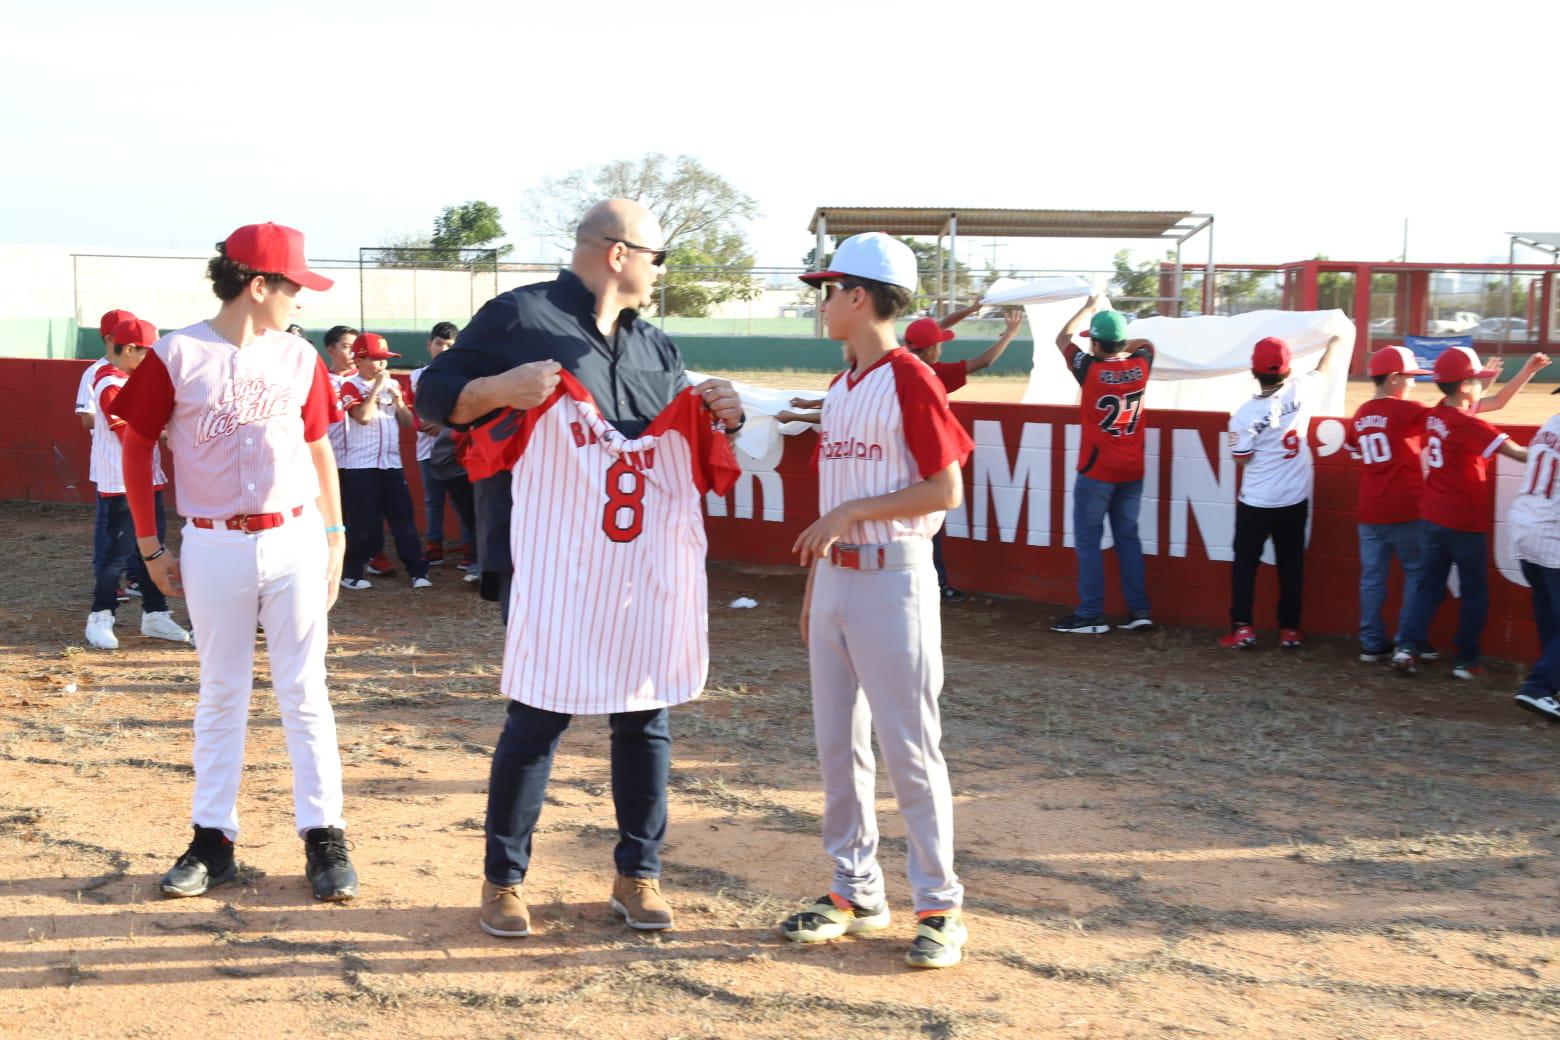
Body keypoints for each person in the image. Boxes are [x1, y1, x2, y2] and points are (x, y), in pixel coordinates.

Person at [414, 198, 745, 940]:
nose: (662, 274)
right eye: (659, 259)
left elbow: (679, 442)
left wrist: (721, 411)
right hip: (547, 557)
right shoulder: (518, 318)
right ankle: (503, 881)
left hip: (637, 565)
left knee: (644, 716)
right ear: (620, 253)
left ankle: (639, 875)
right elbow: (433, 399)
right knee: (538, 714)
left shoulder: (657, 347)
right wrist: (497, 390)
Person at [111, 221, 358, 902]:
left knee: (304, 691)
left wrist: (335, 534)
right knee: (222, 691)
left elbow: (317, 448)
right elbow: (135, 448)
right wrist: (151, 544)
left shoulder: (299, 358)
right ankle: (213, 838)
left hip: (295, 537)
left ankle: (324, 833)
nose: (300, 300)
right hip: (214, 540)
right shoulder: (177, 353)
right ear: (258, 285)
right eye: (293, 286)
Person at [778, 233, 973, 970]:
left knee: (910, 751)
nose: (823, 303)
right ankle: (856, 891)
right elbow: (834, 503)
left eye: (829, 290)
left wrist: (850, 515)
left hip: (894, 577)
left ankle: (940, 906)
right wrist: (813, 589)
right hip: (837, 581)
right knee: (838, 748)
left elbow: (944, 490)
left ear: (859, 297)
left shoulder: (910, 378)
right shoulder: (842, 387)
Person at [781, 307, 1024, 603]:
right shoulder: (927, 373)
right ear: (933, 349)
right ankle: (942, 584)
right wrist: (1010, 334)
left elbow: (931, 329)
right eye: (940, 344)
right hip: (911, 494)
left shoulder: (886, 366)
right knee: (926, 531)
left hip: (858, 553)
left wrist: (805, 410)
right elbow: (984, 360)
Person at [1348, 347, 1549, 662]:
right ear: (1393, 379)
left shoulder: (1365, 413)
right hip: (1420, 512)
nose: (1414, 384)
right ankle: (1430, 647)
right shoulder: (1414, 411)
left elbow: (1353, 449)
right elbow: (1478, 414)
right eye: (1410, 378)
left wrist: (1485, 381)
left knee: (1377, 579)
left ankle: (1382, 645)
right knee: (1432, 581)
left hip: (1381, 512)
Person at [1220, 333, 1344, 650]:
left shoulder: (1244, 415)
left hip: (1257, 501)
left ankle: (1243, 628)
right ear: (1287, 369)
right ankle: (1289, 629)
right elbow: (1323, 369)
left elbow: (1241, 458)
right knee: (1291, 566)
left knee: (1245, 565)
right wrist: (1333, 344)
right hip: (1293, 498)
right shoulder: (1301, 388)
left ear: (1254, 371)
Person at [83, 317, 191, 650]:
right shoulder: (109, 382)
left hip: (147, 480)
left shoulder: (131, 378)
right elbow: (129, 434)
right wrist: (175, 433)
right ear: (129, 349)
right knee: (115, 556)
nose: (151, 361)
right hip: (120, 484)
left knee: (152, 550)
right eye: (147, 353)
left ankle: (155, 614)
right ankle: (101, 615)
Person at [1050, 296, 1155, 635]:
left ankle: (1091, 614)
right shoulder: (1141, 365)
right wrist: (1125, 346)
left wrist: (1087, 307)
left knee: (1088, 542)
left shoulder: (1089, 369)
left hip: (1097, 471)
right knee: (1128, 540)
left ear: (1095, 343)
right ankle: (1139, 611)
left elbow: (1062, 339)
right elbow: (1147, 345)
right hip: (1132, 470)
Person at [337, 333, 431, 590]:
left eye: (384, 361)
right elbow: (363, 417)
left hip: (391, 463)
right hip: (361, 465)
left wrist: (399, 401)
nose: (381, 366)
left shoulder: (394, 386)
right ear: (360, 360)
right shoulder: (350, 385)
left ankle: (417, 571)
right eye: (376, 360)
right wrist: (377, 388)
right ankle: (352, 572)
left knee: (404, 519)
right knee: (362, 524)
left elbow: (408, 422)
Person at [79, 308, 144, 603]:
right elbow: (86, 417)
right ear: (109, 338)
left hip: (135, 464)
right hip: (110, 464)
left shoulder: (135, 371)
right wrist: (115, 420)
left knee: (134, 526)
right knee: (110, 526)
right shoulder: (94, 374)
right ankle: (106, 584)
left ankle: (134, 578)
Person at [408, 321, 475, 567]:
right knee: (432, 500)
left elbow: (467, 410)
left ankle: (471, 549)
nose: (443, 349)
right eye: (439, 343)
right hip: (427, 450)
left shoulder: (462, 376)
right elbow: (412, 412)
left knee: (462, 500)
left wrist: (445, 427)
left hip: (457, 450)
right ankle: (434, 546)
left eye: (449, 345)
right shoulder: (416, 376)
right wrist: (425, 425)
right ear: (429, 345)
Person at [1510, 398, 1560, 722]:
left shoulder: (1550, 423)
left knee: (1550, 618)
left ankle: (1549, 684)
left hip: (1522, 528)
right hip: (1551, 533)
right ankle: (1539, 687)